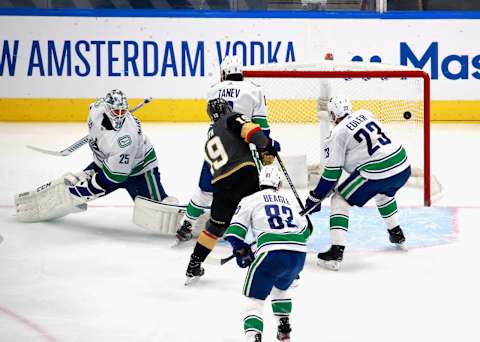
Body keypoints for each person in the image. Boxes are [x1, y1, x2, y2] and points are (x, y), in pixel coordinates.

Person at [15, 89, 170, 223]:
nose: (120, 116)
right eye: (117, 111)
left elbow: (115, 177)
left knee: (157, 214)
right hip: (106, 163)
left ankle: (180, 216)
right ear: (107, 109)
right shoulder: (96, 109)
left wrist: (89, 188)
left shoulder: (125, 140)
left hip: (139, 171)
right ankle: (45, 208)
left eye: (123, 112)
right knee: (74, 187)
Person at [175, 55, 280, 244]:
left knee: (205, 189)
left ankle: (187, 224)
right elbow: (262, 127)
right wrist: (266, 147)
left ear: (223, 73)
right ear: (241, 72)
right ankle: (259, 227)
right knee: (253, 190)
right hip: (244, 147)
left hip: (216, 144)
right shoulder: (255, 90)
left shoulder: (213, 90)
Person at [303, 95, 411, 271]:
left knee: (339, 199)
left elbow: (331, 176)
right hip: (403, 164)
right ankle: (397, 234)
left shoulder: (336, 134)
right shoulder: (366, 113)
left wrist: (314, 199)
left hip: (379, 170)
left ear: (332, 115)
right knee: (383, 193)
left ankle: (336, 252)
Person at [184, 98, 277, 284]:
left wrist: (265, 150)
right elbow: (252, 132)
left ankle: (194, 263)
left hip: (220, 185)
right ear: (227, 109)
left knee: (215, 227)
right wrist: (266, 144)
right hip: (243, 176)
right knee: (263, 213)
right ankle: (277, 258)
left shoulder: (211, 136)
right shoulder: (231, 119)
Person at [223, 165, 312, 342]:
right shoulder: (289, 201)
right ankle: (284, 328)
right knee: (280, 288)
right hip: (298, 254)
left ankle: (254, 338)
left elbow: (234, 233)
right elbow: (307, 229)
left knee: (254, 301)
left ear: (260, 182)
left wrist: (241, 250)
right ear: (278, 183)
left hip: (272, 254)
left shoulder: (251, 199)